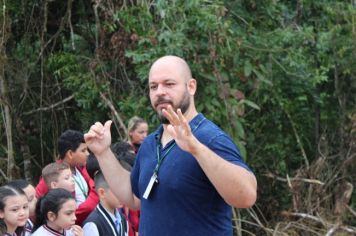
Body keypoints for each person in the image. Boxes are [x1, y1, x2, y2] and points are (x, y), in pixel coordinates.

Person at [85, 55, 257, 235]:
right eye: (153, 86)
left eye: (169, 84)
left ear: (191, 86)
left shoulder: (209, 138)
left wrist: (196, 149)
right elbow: (135, 198)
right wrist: (103, 152)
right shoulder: (150, 143)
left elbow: (246, 196)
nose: (160, 91)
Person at [35, 130, 99, 225]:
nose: (87, 154)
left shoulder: (81, 168)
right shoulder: (53, 174)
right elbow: (38, 203)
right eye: (83, 150)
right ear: (70, 154)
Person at [83, 171, 128, 236]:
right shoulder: (92, 224)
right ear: (102, 193)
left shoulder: (123, 219)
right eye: (117, 190)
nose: (122, 195)